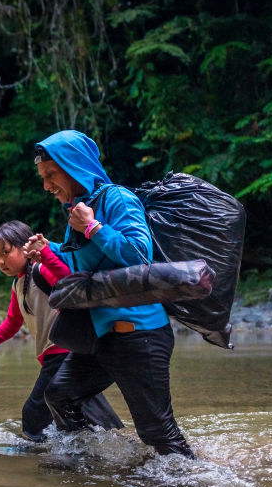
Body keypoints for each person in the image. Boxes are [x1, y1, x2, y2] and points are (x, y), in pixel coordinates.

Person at [34, 130, 195, 458]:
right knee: (60, 395)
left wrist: (94, 227)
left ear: (74, 166)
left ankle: (198, 486)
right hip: (102, 338)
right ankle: (94, 459)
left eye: (51, 175)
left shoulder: (116, 199)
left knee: (158, 432)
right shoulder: (78, 211)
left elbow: (139, 256)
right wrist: (46, 250)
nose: (46, 185)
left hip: (139, 336)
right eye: (43, 177)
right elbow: (84, 264)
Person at [0, 220, 123, 442]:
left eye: (6, 252)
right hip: (63, 355)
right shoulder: (17, 285)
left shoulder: (41, 270)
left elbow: (68, 280)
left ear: (25, 247)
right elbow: (12, 324)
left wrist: (46, 254)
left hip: (62, 353)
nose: (1, 260)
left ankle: (42, 454)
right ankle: (116, 443)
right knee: (96, 418)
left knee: (33, 415)